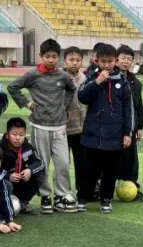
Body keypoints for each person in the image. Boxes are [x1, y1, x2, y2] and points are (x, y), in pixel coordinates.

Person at [7, 38, 77, 213]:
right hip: (40, 126)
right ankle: (45, 195)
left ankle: (61, 195)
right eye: (47, 56)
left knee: (63, 163)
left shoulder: (63, 76)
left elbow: (71, 89)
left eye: (54, 57)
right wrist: (28, 104)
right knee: (43, 163)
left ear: (59, 57)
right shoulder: (33, 75)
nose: (51, 60)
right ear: (41, 56)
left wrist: (64, 105)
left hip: (60, 126)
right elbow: (13, 87)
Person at [77, 43, 133, 213]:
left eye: (110, 61)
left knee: (110, 171)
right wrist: (97, 82)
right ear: (97, 60)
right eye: (103, 61)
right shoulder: (91, 77)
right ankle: (83, 197)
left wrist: (127, 133)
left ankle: (106, 199)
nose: (107, 65)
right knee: (89, 169)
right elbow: (82, 97)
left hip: (114, 134)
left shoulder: (122, 81)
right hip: (92, 133)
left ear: (115, 60)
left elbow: (128, 109)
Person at [116, 45, 143, 201]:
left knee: (131, 159)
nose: (126, 62)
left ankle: (132, 186)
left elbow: (138, 105)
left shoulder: (135, 82)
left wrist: (139, 126)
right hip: (113, 126)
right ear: (116, 59)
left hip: (130, 127)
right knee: (110, 158)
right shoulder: (109, 78)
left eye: (129, 59)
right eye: (123, 58)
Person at [0, 117, 43, 212]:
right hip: (6, 183)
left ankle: (23, 202)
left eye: (21, 135)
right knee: (6, 184)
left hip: (21, 182)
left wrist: (29, 170)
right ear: (7, 135)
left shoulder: (28, 147)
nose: (18, 138)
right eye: (14, 134)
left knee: (39, 174)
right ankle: (3, 201)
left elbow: (39, 162)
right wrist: (8, 176)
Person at [63, 46, 89, 212]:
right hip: (63, 129)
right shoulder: (61, 78)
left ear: (82, 61)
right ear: (65, 61)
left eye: (78, 60)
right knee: (63, 164)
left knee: (82, 164)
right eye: (71, 59)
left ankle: (82, 193)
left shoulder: (86, 79)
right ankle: (64, 193)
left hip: (82, 129)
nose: (74, 63)